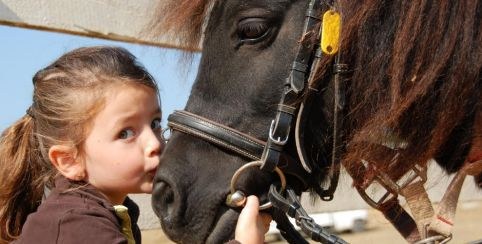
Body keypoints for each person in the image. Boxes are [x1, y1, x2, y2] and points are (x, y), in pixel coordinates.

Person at [0, 46, 270, 244]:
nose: (154, 143)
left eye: (154, 123)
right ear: (69, 161)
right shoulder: (76, 226)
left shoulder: (102, 213)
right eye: (126, 132)